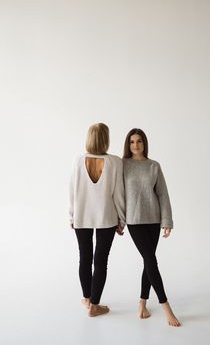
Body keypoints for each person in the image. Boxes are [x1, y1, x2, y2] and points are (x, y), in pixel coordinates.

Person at [123, 128, 181, 326]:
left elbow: (163, 194)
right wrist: (119, 220)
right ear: (128, 144)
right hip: (134, 220)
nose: (136, 145)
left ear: (144, 143)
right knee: (151, 260)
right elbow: (117, 195)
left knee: (148, 262)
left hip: (154, 220)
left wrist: (167, 221)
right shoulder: (122, 165)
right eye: (132, 142)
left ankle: (142, 303)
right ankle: (166, 308)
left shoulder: (154, 166)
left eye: (139, 141)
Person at [69, 123, 125, 317]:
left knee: (84, 257)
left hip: (82, 216)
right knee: (101, 261)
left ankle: (87, 298)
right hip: (106, 218)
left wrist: (72, 215)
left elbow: (72, 191)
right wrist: (122, 219)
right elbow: (119, 195)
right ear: (106, 139)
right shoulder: (115, 161)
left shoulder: (78, 160)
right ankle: (95, 305)